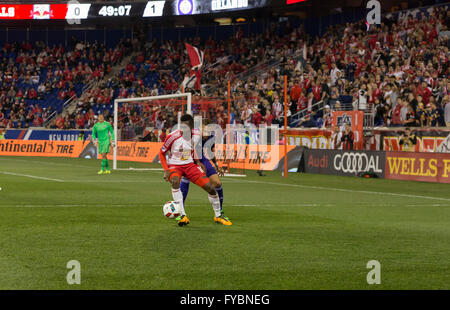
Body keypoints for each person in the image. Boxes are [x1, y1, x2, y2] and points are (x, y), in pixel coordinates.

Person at [159, 114, 231, 227]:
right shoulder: (172, 136)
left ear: (192, 127)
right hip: (175, 166)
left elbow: (192, 149)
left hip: (190, 165)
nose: (183, 129)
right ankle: (182, 215)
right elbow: (161, 153)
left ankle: (218, 215)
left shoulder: (197, 134)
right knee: (175, 181)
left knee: (211, 188)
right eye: (181, 126)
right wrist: (166, 169)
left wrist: (197, 162)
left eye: (186, 126)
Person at [180, 120, 229, 222]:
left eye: (208, 129)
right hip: (189, 159)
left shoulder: (211, 136)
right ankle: (181, 211)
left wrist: (216, 165)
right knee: (185, 180)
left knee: (217, 183)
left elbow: (210, 151)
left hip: (202, 159)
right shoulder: (191, 135)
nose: (206, 131)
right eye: (204, 129)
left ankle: (219, 212)